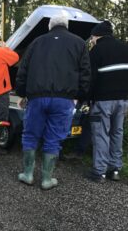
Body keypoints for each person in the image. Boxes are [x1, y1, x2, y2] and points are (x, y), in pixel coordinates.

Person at [15, 15, 91, 190]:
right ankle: (46, 179)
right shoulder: (79, 43)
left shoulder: (36, 42)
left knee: (30, 135)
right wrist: (79, 95)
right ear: (67, 25)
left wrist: (21, 93)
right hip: (64, 100)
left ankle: (27, 175)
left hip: (36, 98)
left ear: (50, 26)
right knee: (54, 138)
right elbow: (85, 74)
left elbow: (23, 71)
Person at [88, 20, 128, 182]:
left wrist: (87, 99)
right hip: (123, 100)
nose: (91, 41)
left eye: (92, 38)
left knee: (101, 134)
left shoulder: (96, 51)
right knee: (117, 132)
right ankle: (115, 169)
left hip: (103, 100)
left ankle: (100, 172)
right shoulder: (125, 48)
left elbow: (91, 79)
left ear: (97, 36)